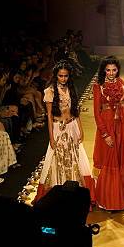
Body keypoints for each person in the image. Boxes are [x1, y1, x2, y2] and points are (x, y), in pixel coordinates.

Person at [33, 61, 94, 203]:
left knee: (74, 158)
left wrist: (81, 130)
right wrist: (51, 138)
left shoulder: (71, 89)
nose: (63, 78)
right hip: (57, 128)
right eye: (60, 76)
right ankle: (58, 195)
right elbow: (49, 116)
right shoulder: (49, 92)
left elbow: (75, 111)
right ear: (56, 76)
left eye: (66, 76)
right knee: (57, 160)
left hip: (72, 126)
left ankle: (75, 193)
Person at [92, 56, 124, 210]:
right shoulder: (98, 86)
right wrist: (105, 134)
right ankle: (110, 201)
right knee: (109, 160)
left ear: (118, 69)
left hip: (122, 125)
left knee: (123, 160)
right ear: (103, 70)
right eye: (108, 70)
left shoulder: (123, 84)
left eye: (114, 70)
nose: (111, 73)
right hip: (107, 125)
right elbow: (96, 113)